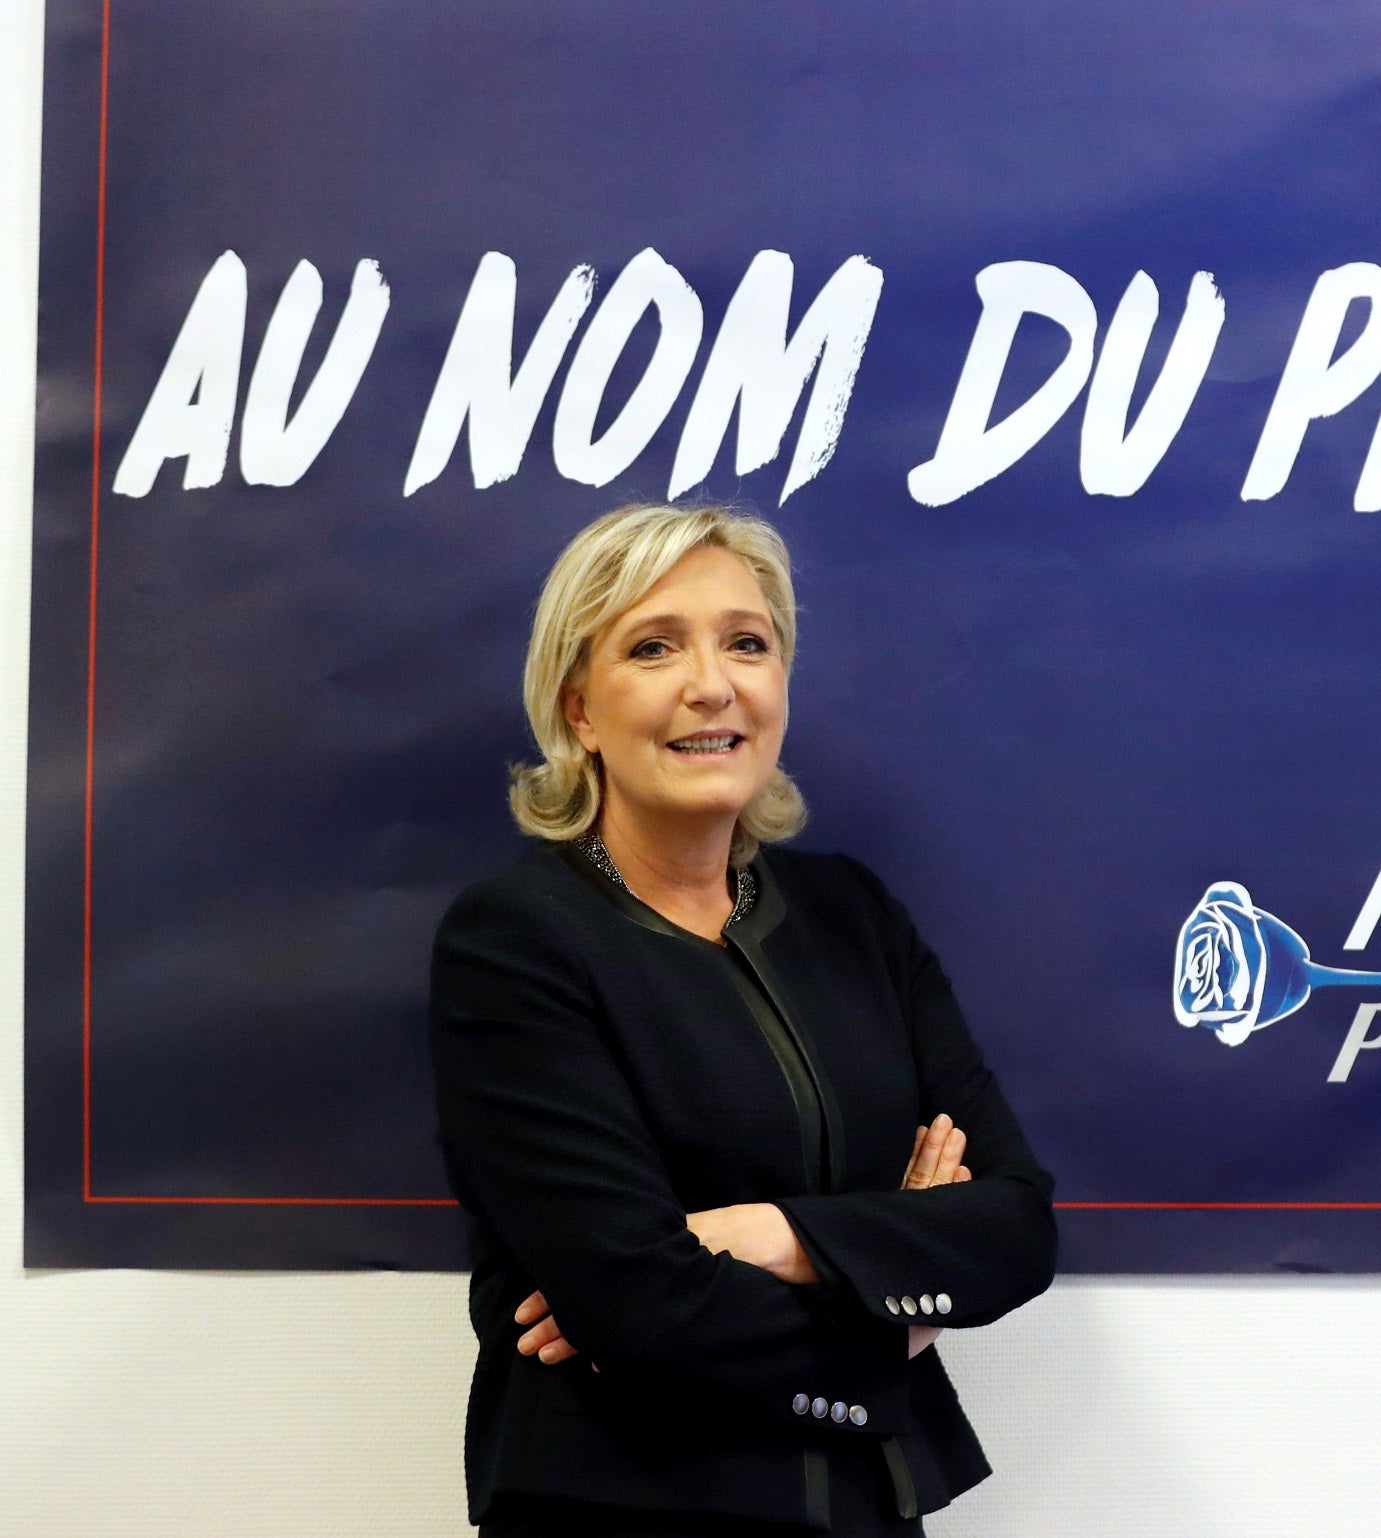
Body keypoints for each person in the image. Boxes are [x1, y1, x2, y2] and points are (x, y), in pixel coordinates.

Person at [428, 502, 1058, 1536]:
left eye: (746, 642)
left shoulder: (851, 914)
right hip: (620, 1507)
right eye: (653, 645)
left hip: (865, 1505)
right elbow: (632, 1303)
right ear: (578, 705)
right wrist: (890, 1313)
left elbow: (1013, 1225)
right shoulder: (516, 940)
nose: (710, 684)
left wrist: (767, 1234)